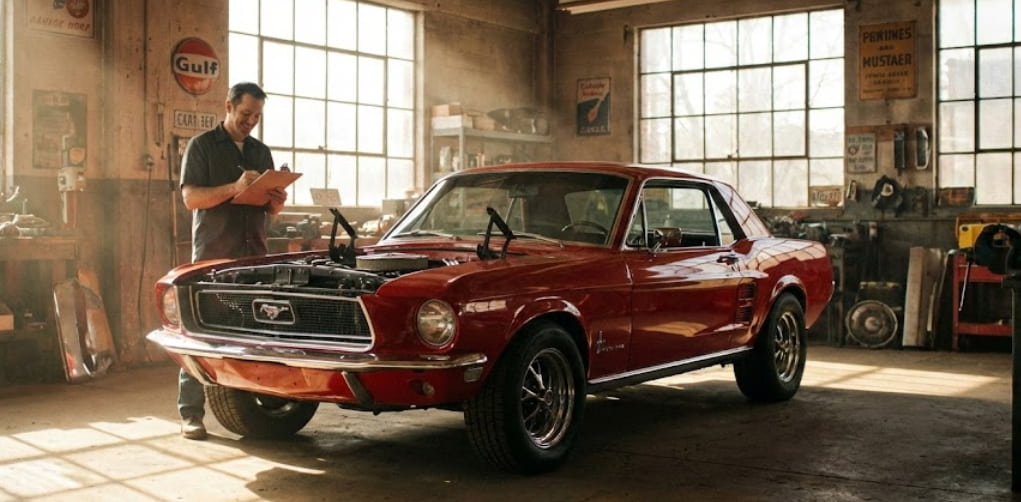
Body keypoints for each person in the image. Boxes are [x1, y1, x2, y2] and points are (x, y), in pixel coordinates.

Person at [176, 82, 287, 439]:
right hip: (213, 255)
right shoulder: (202, 146)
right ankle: (190, 413)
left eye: (256, 116)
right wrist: (233, 188)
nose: (250, 122)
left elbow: (271, 210)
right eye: (245, 114)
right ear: (227, 106)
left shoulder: (260, 151)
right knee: (200, 333)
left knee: (256, 334)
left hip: (254, 255)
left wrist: (277, 200)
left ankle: (258, 409)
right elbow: (191, 198)